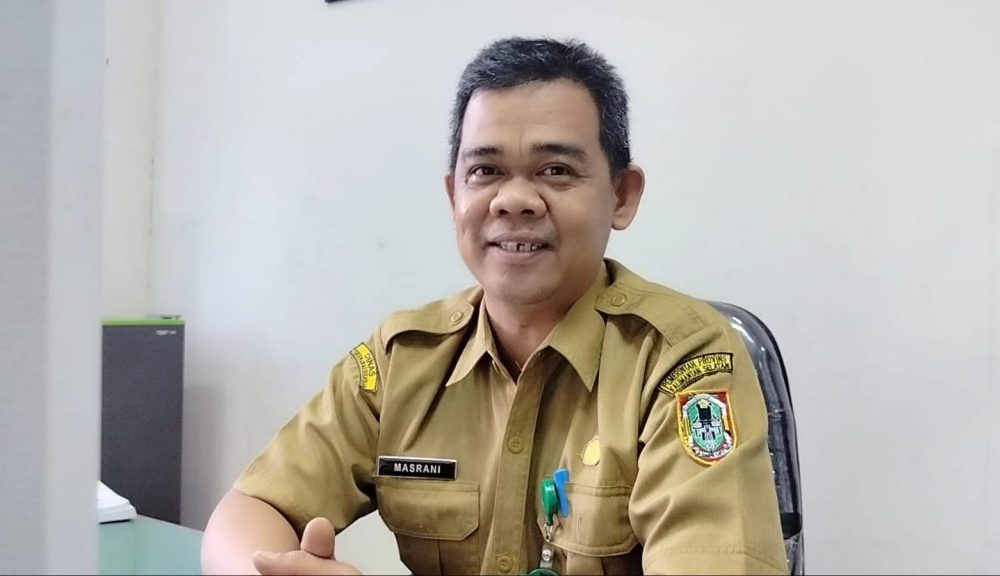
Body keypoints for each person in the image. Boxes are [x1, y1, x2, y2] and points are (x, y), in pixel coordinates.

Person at [201, 37, 789, 576]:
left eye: (555, 170)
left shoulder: (684, 360)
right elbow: (251, 509)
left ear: (621, 195)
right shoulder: (403, 357)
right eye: (485, 171)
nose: (513, 200)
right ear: (454, 194)